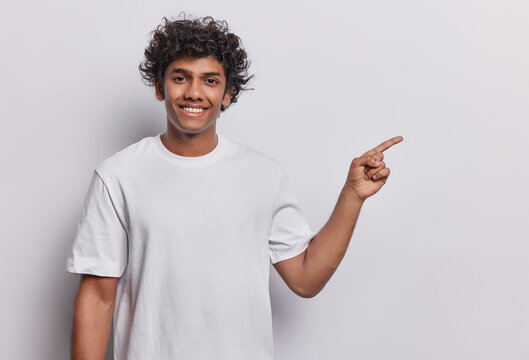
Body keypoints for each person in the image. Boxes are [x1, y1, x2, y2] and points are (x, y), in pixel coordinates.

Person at [66, 14, 403, 360]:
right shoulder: (118, 176)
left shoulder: (263, 175)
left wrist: (352, 196)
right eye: (180, 77)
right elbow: (98, 297)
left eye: (210, 80)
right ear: (159, 86)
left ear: (227, 93)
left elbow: (305, 279)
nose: (194, 92)